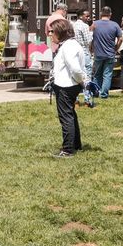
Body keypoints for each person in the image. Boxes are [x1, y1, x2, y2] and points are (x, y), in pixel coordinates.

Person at [48, 17, 90, 157]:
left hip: (66, 86)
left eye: (52, 31)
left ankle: (67, 149)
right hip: (68, 85)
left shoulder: (69, 46)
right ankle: (75, 145)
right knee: (70, 115)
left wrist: (80, 81)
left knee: (66, 117)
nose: (50, 34)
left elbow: (75, 69)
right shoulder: (69, 45)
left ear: (60, 32)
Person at [90, 6, 122, 100]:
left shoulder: (94, 24)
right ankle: (104, 95)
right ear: (110, 14)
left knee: (97, 75)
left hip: (98, 54)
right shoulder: (115, 25)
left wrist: (91, 48)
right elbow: (121, 38)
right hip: (110, 54)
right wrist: (116, 48)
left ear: (100, 14)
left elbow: (90, 37)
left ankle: (96, 92)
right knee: (107, 75)